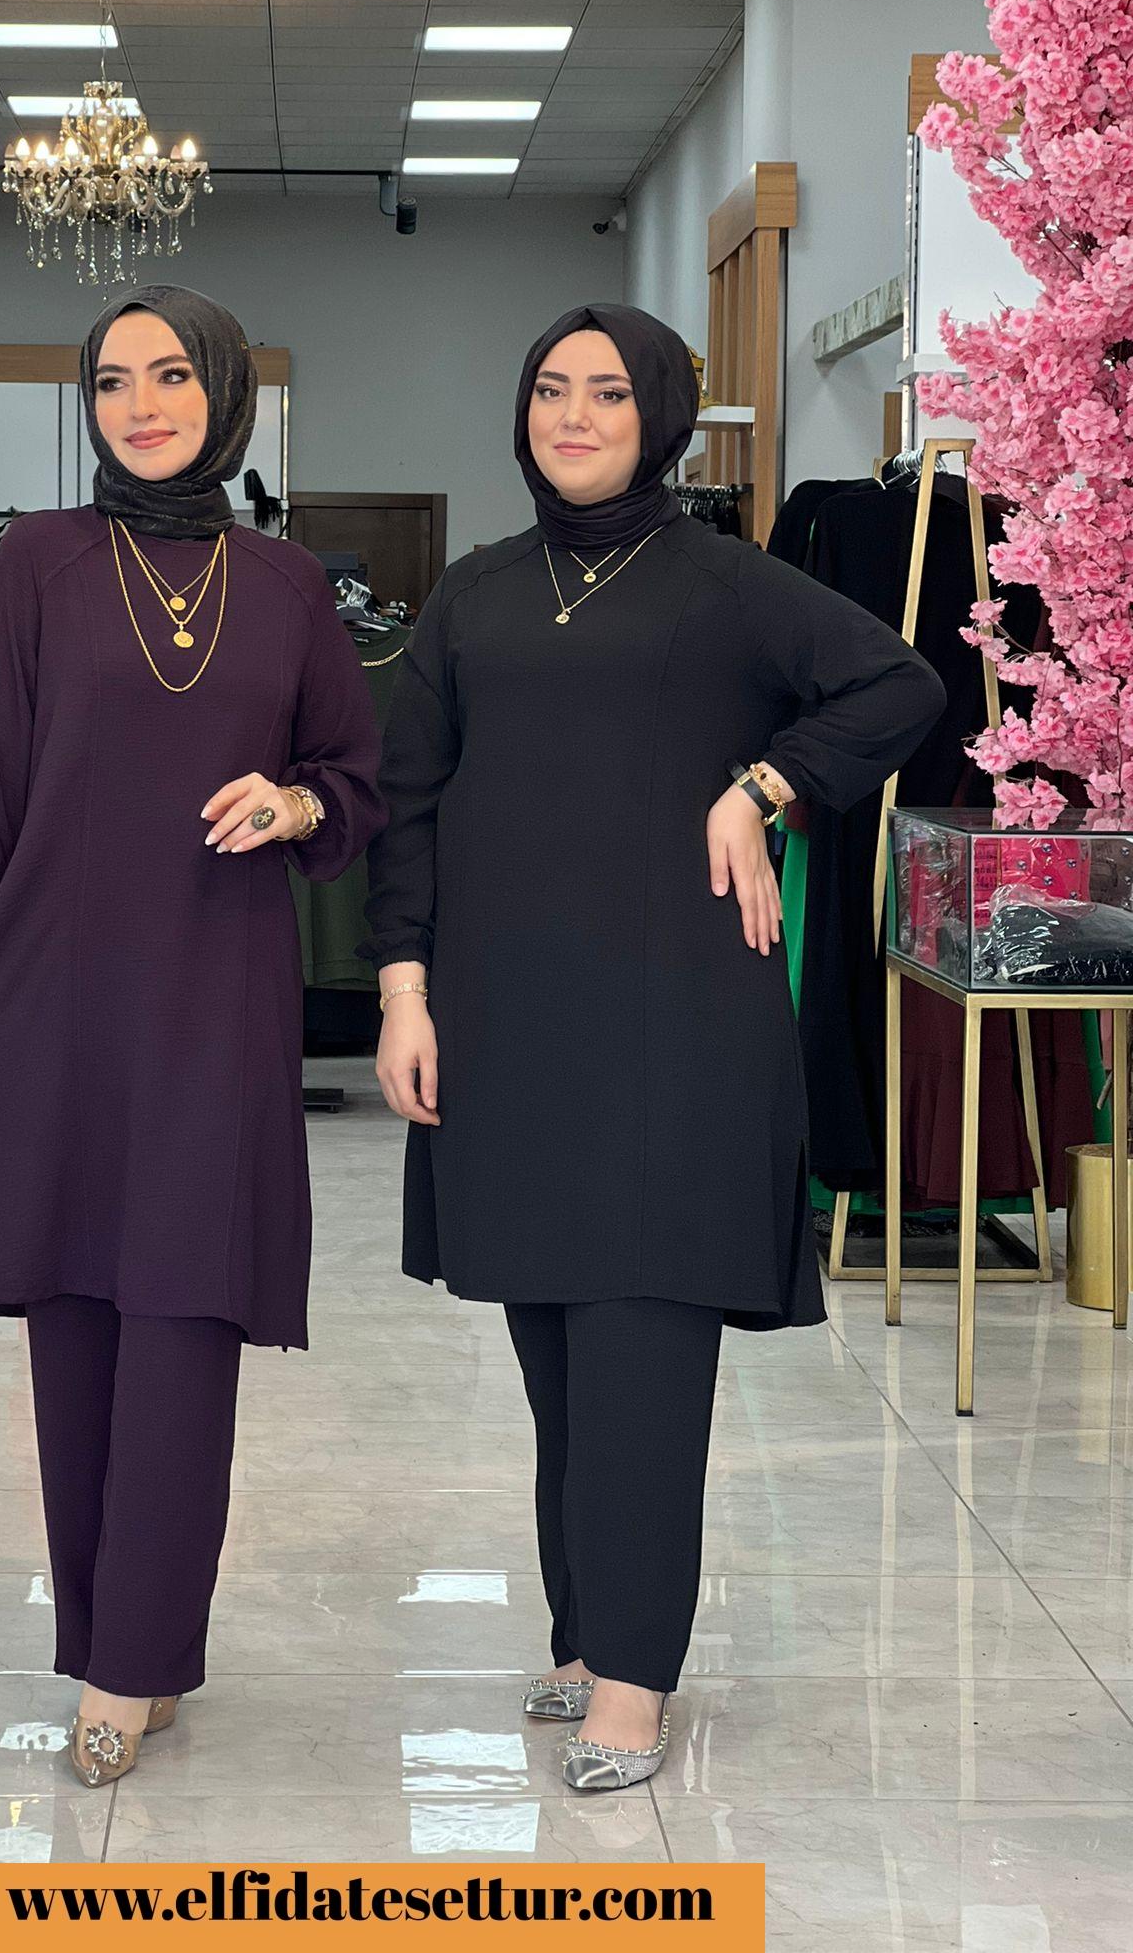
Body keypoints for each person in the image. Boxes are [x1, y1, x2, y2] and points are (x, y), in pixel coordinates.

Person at [362, 303, 945, 1793]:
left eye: (608, 393)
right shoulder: (475, 594)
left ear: (661, 419)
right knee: (556, 1353)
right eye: (550, 388)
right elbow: (408, 799)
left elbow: (902, 683)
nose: (573, 414)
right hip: (508, 1024)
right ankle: (584, 1634)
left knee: (641, 1353)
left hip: (675, 1029)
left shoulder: (727, 583)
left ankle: (633, 1675)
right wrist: (405, 991)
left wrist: (765, 785)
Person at [0, 285, 385, 1790]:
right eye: (111, 381)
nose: (141, 405)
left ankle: (136, 1657)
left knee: (183, 1322)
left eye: (169, 376)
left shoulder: (288, 584)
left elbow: (356, 778)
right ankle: (111, 1643)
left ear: (224, 393)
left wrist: (294, 801)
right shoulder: (38, 559)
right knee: (75, 1327)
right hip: (53, 988)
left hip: (213, 1000)